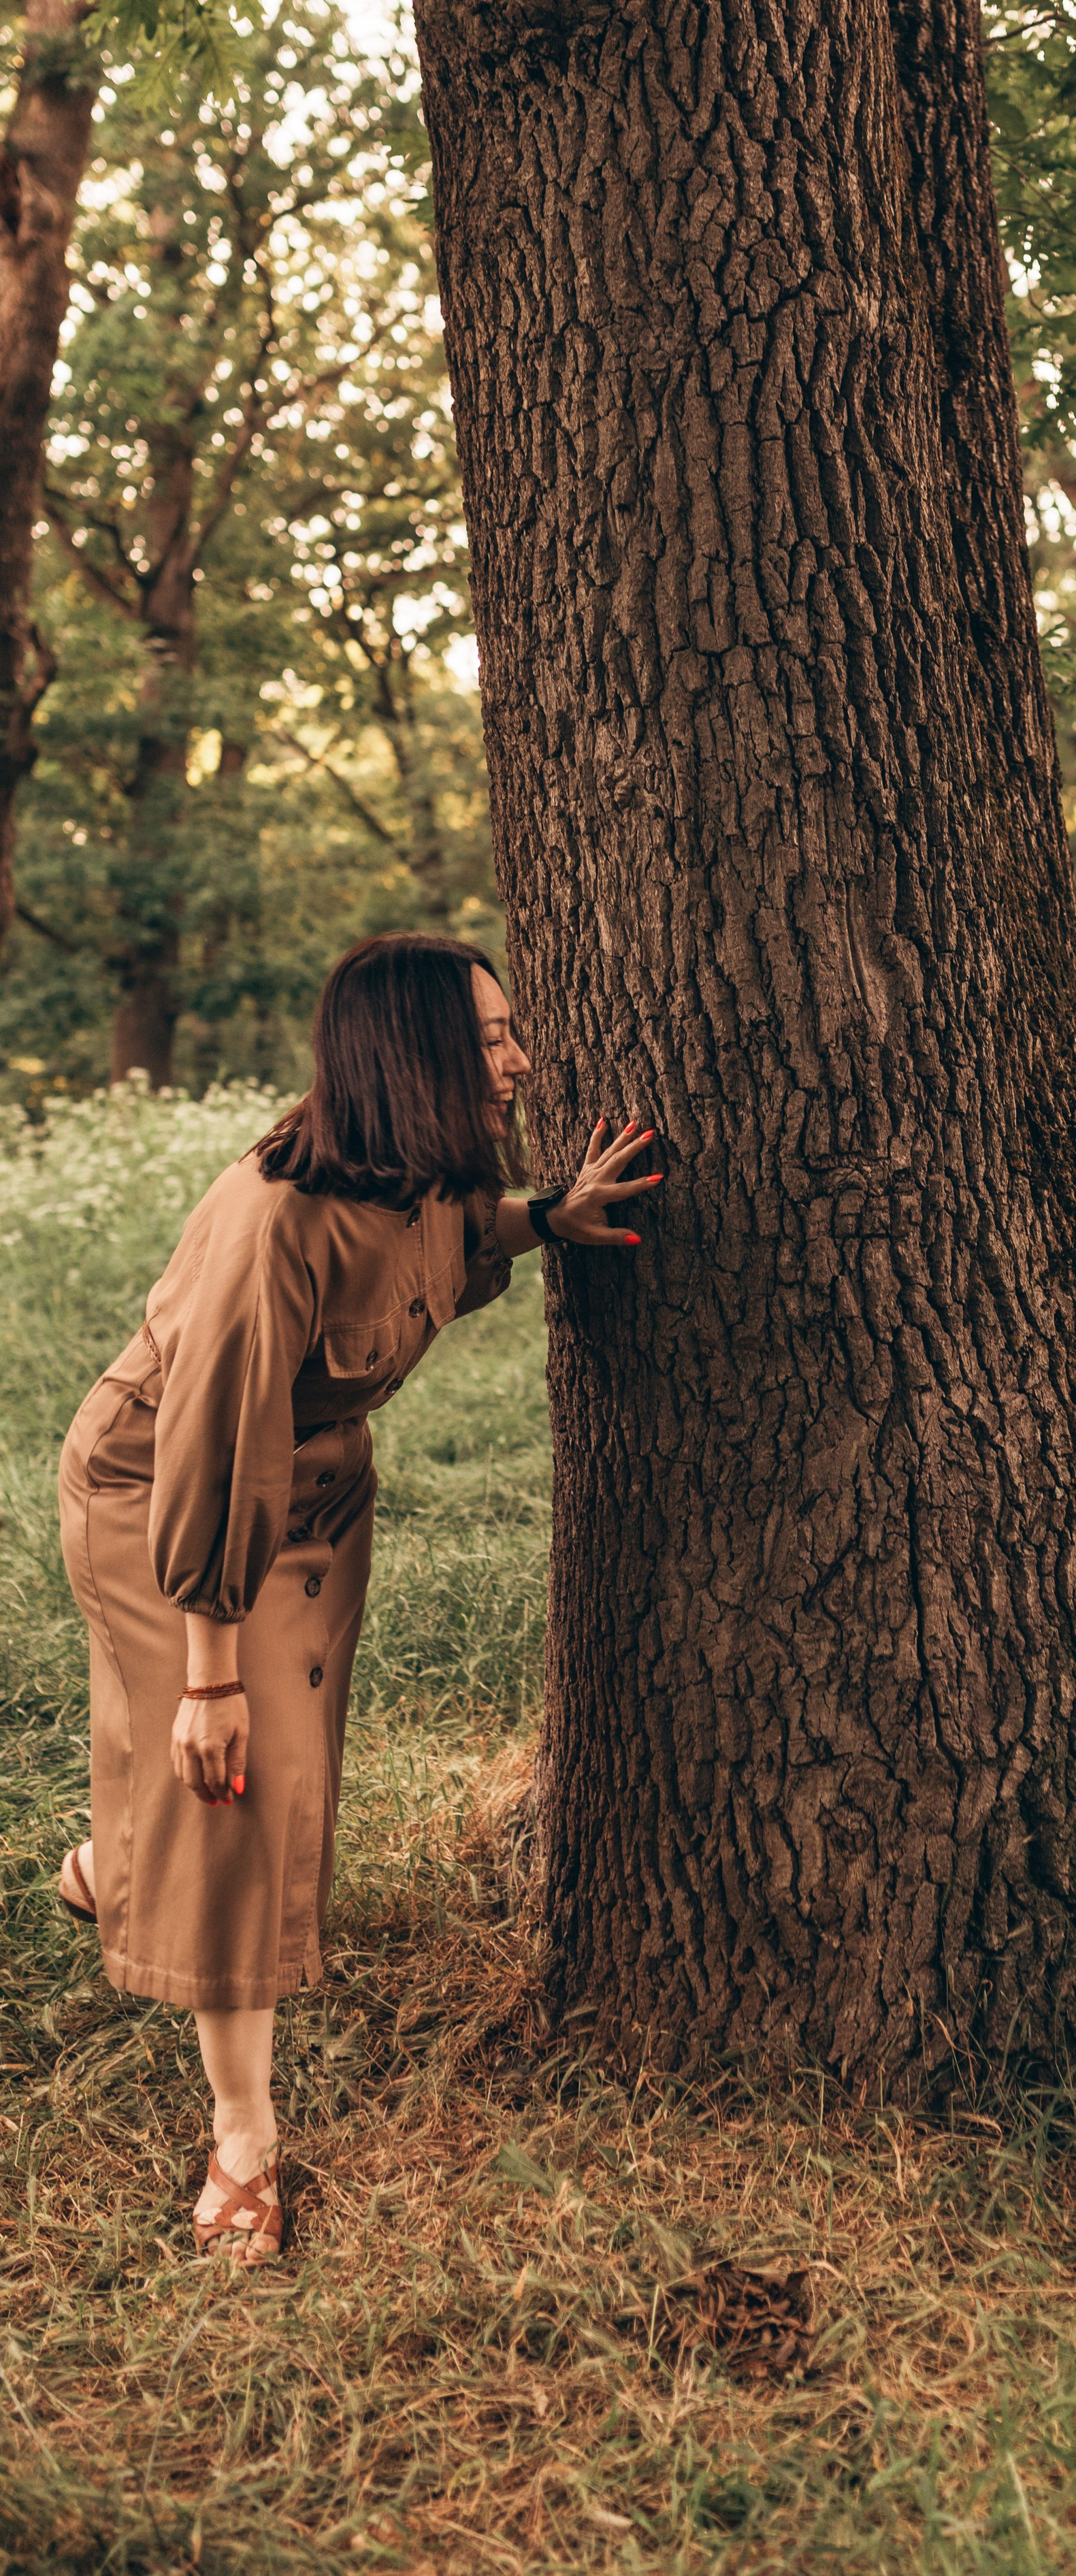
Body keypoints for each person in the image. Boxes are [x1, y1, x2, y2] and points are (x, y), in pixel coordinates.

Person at [55, 933, 661, 2260]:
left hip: (317, 1494)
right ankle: (243, 2148)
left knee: (271, 1777)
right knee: (236, 1784)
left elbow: (454, 1230)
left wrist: (544, 1217)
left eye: (511, 1028)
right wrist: (211, 1668)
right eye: (493, 1034)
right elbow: (215, 1447)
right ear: (416, 1051)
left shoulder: (422, 1166)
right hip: (168, 1501)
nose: (518, 1057)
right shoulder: (274, 1215)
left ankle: (116, 1867)